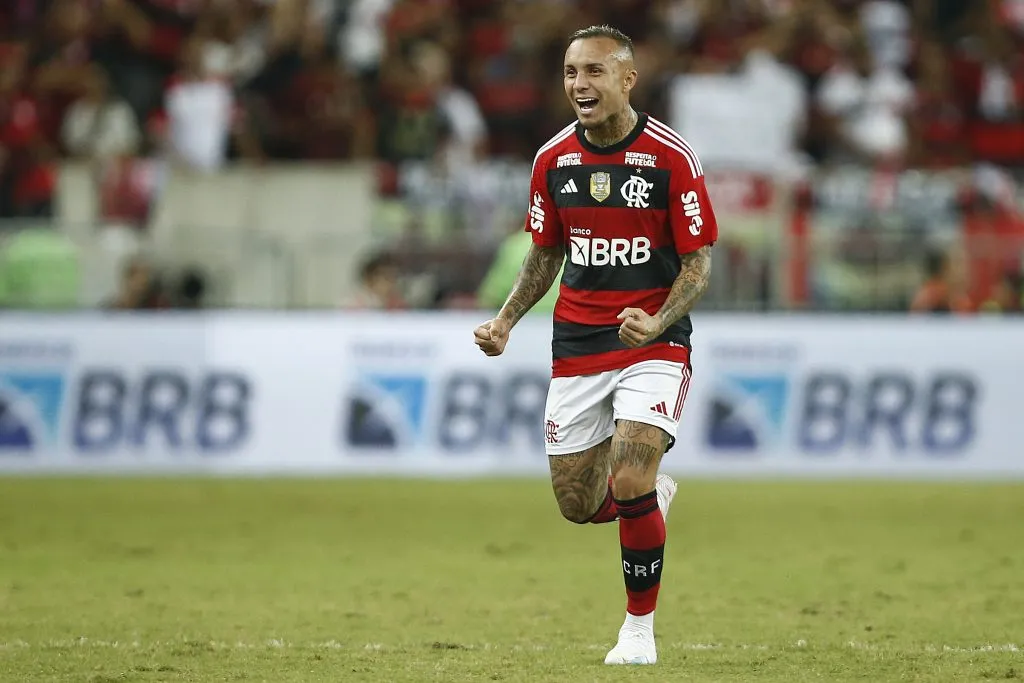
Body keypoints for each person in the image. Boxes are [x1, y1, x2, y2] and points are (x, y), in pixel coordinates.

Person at [473, 25, 717, 666]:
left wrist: (660, 319)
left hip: (653, 344)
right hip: (578, 344)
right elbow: (546, 250)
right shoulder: (553, 160)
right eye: (570, 72)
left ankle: (638, 631)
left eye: (594, 72)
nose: (580, 84)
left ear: (627, 79)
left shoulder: (671, 159)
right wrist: (505, 321)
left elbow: (698, 265)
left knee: (631, 472)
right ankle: (647, 502)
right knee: (577, 505)